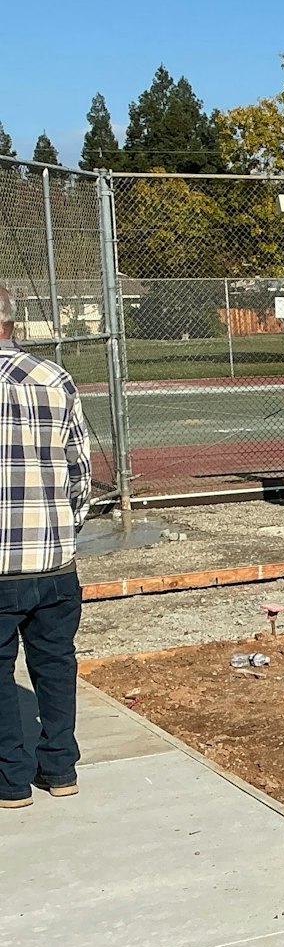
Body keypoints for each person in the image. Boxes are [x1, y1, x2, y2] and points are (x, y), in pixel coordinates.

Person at [0, 285, 92, 809]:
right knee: (55, 662)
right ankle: (59, 768)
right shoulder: (54, 379)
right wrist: (65, 528)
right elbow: (79, 471)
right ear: (12, 323)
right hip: (53, 558)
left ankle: (11, 780)